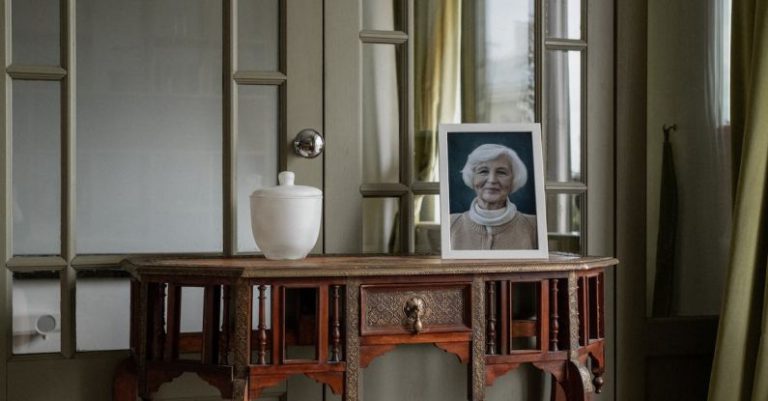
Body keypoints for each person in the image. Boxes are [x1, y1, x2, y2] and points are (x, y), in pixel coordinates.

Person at [450, 143, 538, 250]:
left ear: (513, 180)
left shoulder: (534, 226)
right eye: (483, 171)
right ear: (472, 178)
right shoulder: (451, 224)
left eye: (501, 172)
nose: (492, 180)